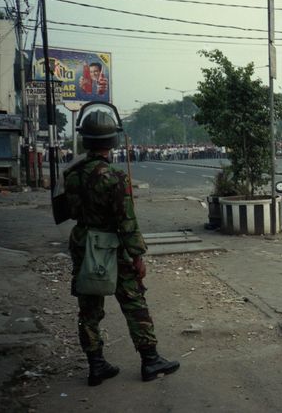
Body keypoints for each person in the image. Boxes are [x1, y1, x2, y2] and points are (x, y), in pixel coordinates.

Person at [64, 108, 179, 386]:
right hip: (113, 247)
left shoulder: (72, 174)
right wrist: (138, 255)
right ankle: (150, 361)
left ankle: (96, 365)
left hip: (84, 244)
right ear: (112, 141)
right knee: (134, 303)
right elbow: (127, 221)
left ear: (85, 139)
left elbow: (67, 210)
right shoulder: (115, 177)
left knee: (89, 310)